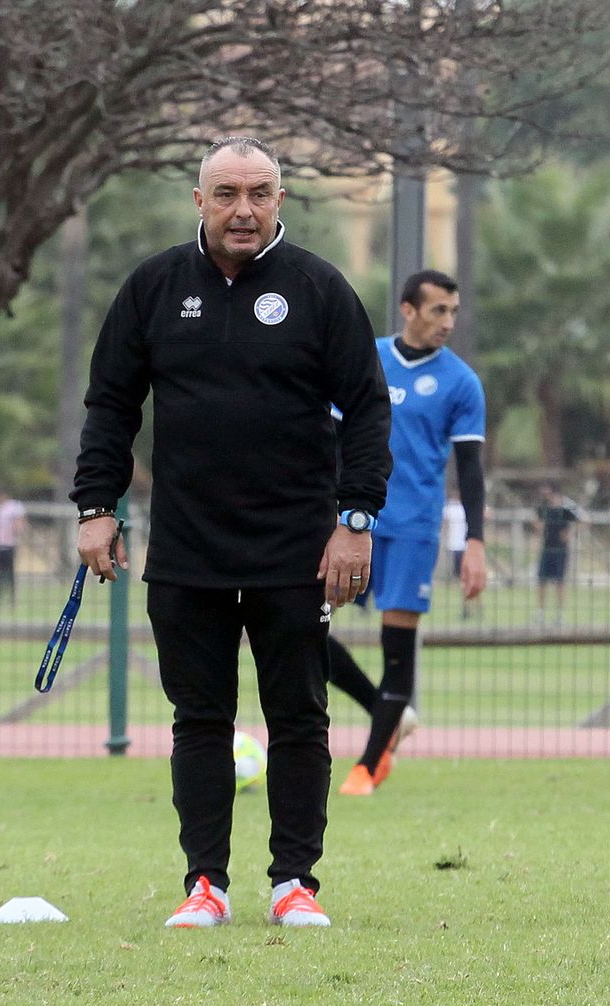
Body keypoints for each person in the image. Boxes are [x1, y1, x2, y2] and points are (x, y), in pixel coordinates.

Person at [72, 135, 390, 930]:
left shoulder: (320, 288)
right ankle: (204, 885)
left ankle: (294, 884)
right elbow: (111, 404)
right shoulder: (152, 287)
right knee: (201, 720)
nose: (242, 209)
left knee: (299, 717)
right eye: (226, 194)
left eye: (259, 192)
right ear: (199, 202)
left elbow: (368, 409)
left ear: (281, 200)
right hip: (188, 548)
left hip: (298, 548)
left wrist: (355, 521)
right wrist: (95, 505)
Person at [328, 270, 488, 797]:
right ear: (408, 309)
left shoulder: (461, 382)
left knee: (397, 652)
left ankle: (367, 767)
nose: (448, 322)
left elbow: (469, 470)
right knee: (305, 628)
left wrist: (475, 544)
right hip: (351, 522)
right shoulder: (365, 356)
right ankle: (386, 712)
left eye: (454, 312)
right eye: (438, 310)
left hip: (414, 530)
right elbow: (330, 438)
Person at [535, 483, 581, 622]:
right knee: (542, 580)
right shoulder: (544, 507)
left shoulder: (567, 507)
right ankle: (540, 612)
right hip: (547, 548)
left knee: (560, 582)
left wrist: (570, 533)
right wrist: (540, 529)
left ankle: (560, 613)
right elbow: (536, 520)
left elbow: (584, 519)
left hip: (561, 549)